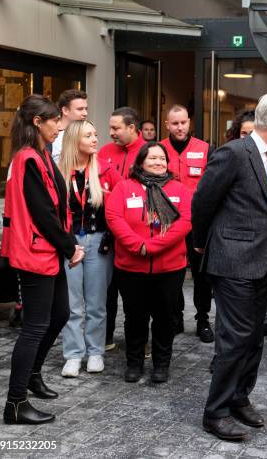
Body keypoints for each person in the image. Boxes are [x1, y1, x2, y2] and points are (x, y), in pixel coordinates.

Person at [192, 93, 267, 441]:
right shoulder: (234, 153)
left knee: (253, 338)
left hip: (261, 262)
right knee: (234, 339)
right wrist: (202, 242)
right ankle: (216, 412)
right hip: (232, 261)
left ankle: (239, 397)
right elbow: (203, 200)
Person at [1, 95, 85, 424]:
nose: (60, 126)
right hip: (37, 252)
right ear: (38, 122)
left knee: (60, 313)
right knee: (34, 326)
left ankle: (32, 375)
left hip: (47, 251)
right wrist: (71, 247)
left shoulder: (41, 155)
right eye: (54, 121)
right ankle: (15, 403)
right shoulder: (28, 159)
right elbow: (43, 214)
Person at [105, 142, 191, 384]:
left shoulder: (180, 190)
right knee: (135, 317)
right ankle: (134, 363)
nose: (158, 162)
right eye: (152, 158)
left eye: (162, 158)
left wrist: (153, 246)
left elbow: (186, 221)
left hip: (169, 268)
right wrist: (137, 245)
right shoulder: (123, 188)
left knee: (165, 318)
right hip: (131, 267)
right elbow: (114, 217)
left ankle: (161, 365)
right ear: (141, 161)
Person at [58, 120, 120, 377]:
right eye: (88, 135)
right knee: (72, 304)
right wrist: (64, 243)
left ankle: (95, 352)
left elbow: (119, 206)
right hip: (69, 243)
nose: (96, 139)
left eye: (96, 134)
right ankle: (73, 354)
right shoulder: (59, 171)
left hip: (98, 242)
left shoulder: (106, 170)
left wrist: (112, 238)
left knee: (96, 303)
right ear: (75, 140)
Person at [160, 105, 213, 342]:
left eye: (183, 122)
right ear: (167, 125)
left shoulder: (205, 150)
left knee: (202, 275)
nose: (179, 127)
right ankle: (175, 317)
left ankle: (203, 319)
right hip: (169, 222)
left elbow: (213, 186)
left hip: (198, 224)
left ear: (189, 122)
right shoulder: (158, 149)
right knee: (174, 273)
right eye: (174, 123)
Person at [99, 107, 146, 350]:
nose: (111, 133)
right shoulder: (104, 152)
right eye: (110, 128)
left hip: (135, 235)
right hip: (107, 234)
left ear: (132, 127)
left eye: (116, 128)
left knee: (135, 295)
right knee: (107, 290)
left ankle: (138, 341)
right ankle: (105, 338)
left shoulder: (149, 152)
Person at [51, 89, 88, 163]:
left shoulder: (87, 134)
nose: (85, 113)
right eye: (80, 109)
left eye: (86, 109)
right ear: (65, 110)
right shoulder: (51, 136)